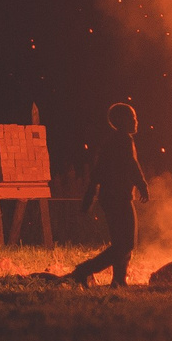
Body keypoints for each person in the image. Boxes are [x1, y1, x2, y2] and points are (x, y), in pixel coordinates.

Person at [68, 102, 150, 287]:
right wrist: (142, 184)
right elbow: (131, 164)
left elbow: (97, 172)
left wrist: (89, 198)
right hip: (118, 198)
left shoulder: (110, 142)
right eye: (132, 118)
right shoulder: (123, 140)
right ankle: (84, 270)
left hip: (110, 198)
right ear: (122, 120)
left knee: (121, 242)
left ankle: (118, 280)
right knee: (125, 244)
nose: (136, 121)